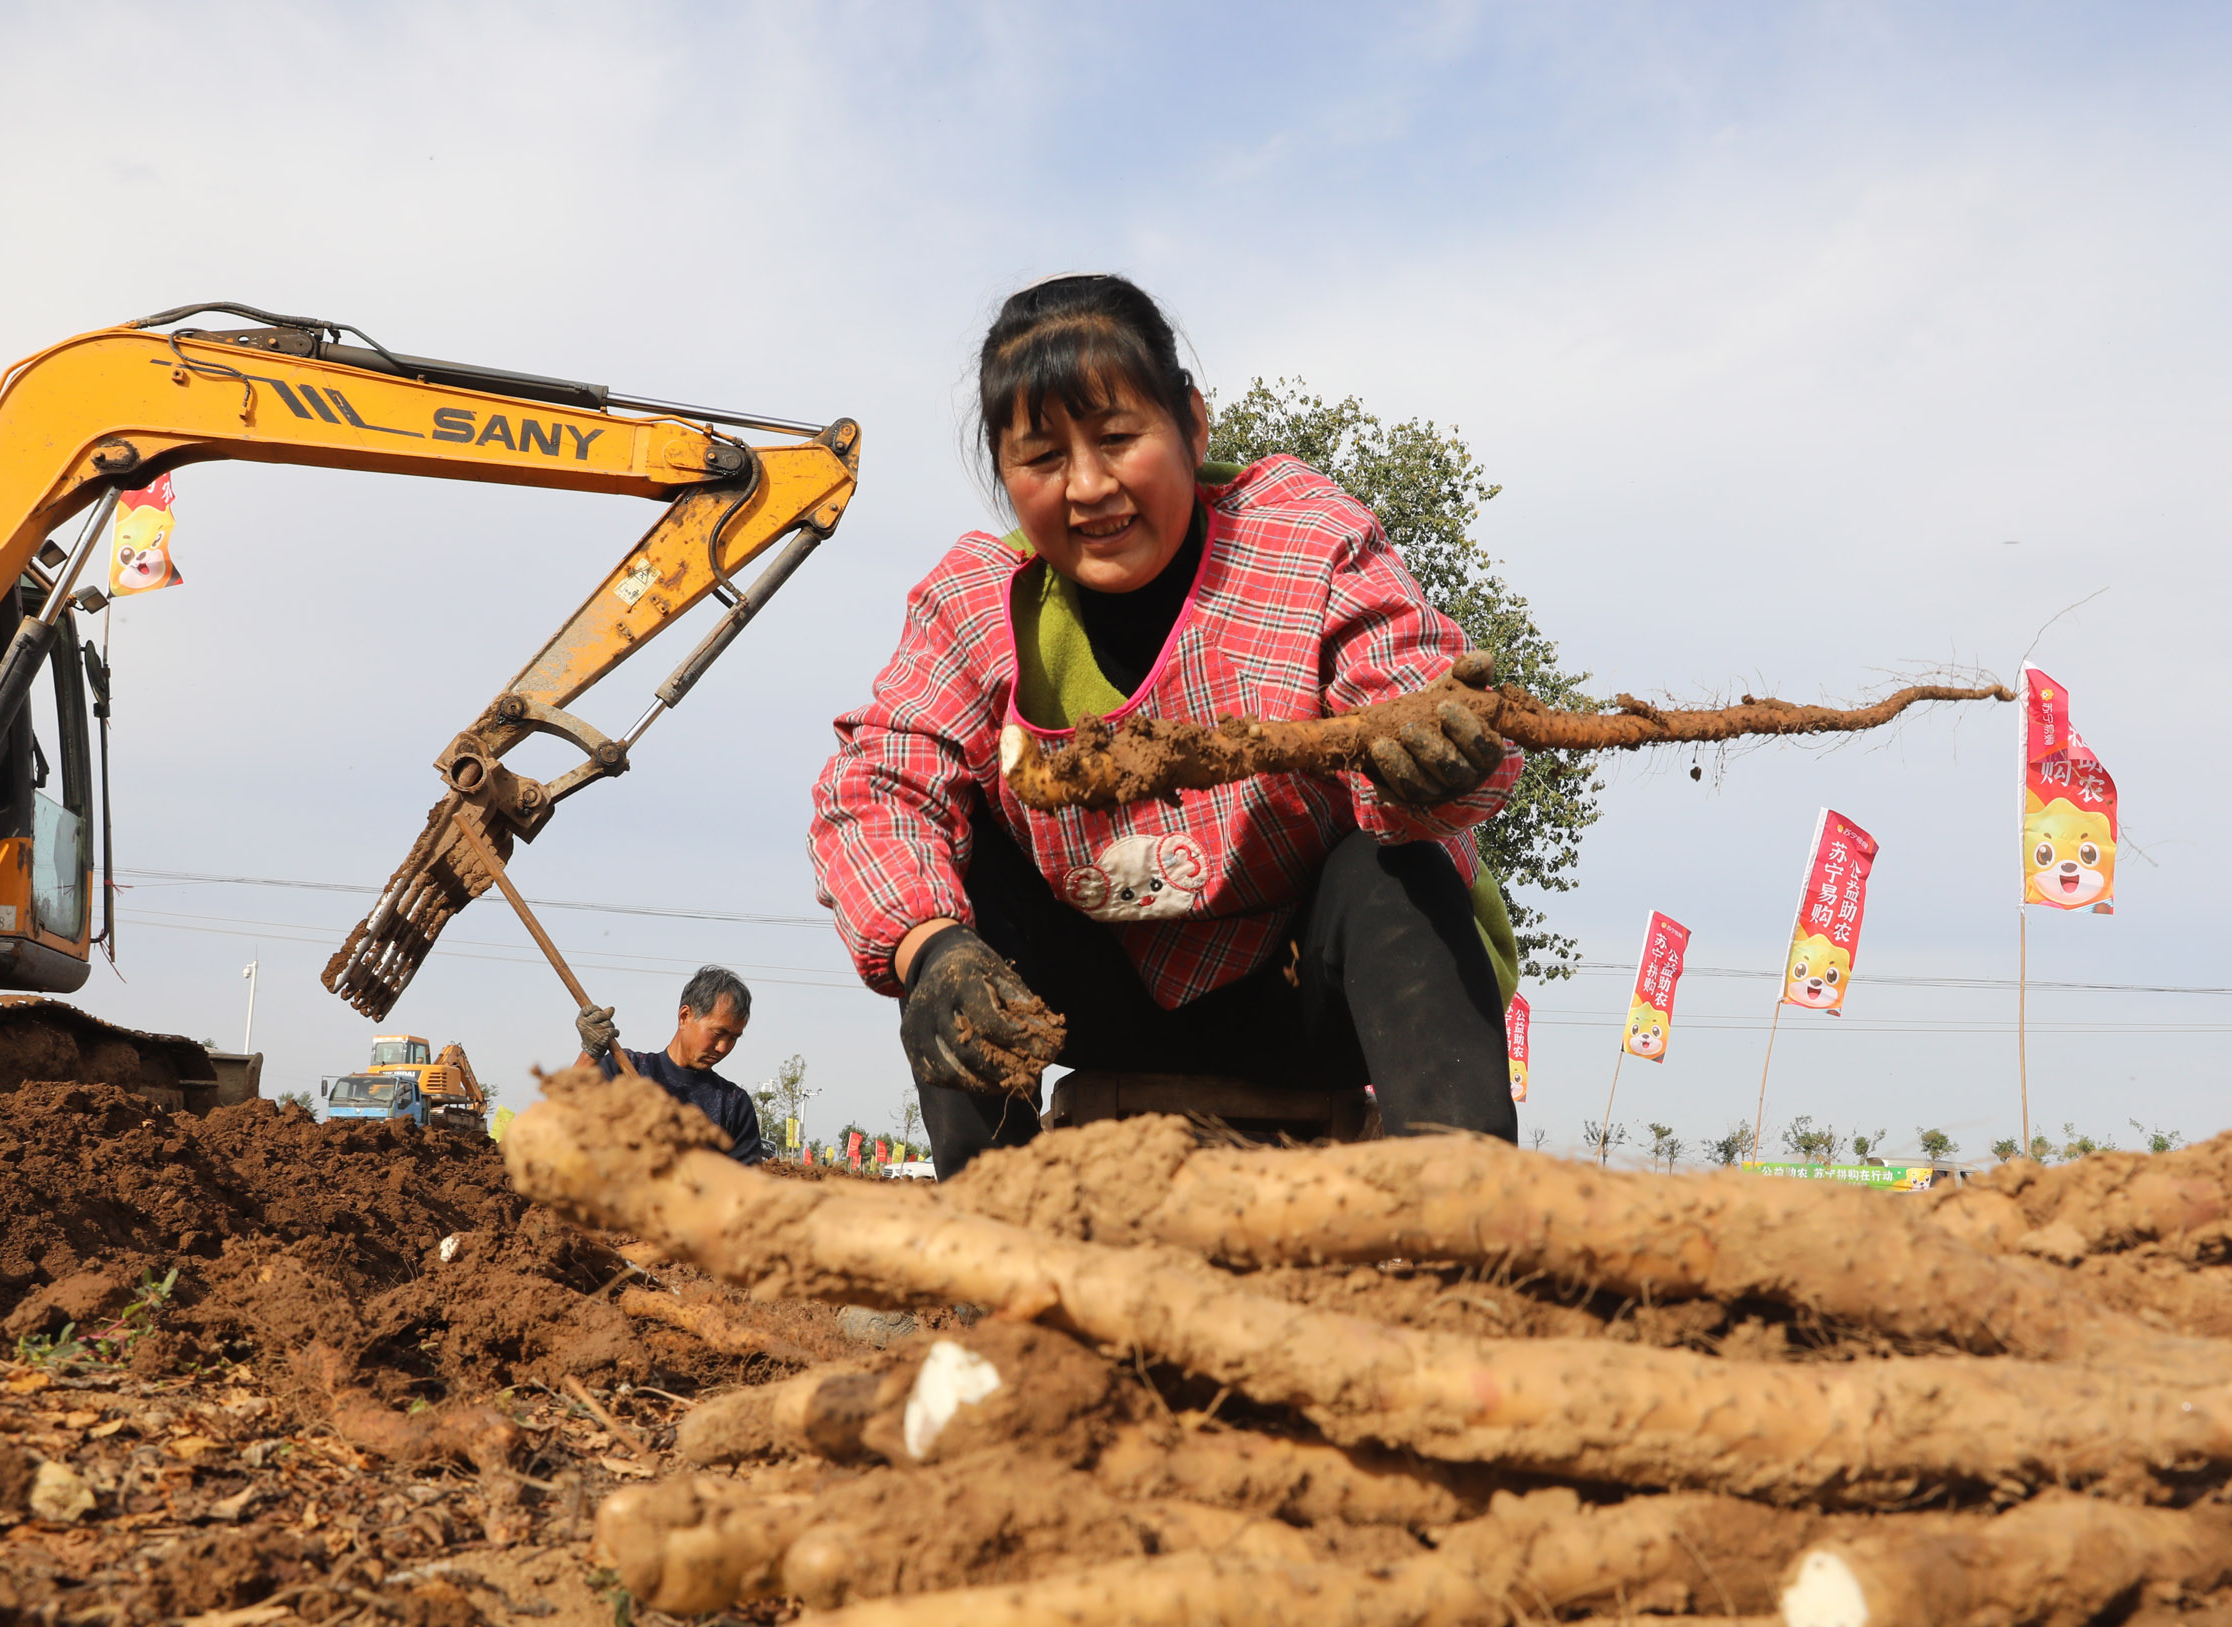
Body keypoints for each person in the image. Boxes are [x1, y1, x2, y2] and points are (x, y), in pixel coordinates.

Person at [810, 274, 1523, 1179]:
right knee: (956, 901)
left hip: (1308, 998)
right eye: (1042, 457)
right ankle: (995, 1229)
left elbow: (1409, 686)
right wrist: (927, 947)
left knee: (1394, 866)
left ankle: (1468, 1221)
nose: (1089, 487)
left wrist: (1435, 756)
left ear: (1192, 424)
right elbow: (878, 787)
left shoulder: (1305, 541)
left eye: (1117, 438)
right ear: (1004, 472)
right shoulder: (973, 604)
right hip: (1096, 1006)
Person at [574, 965, 765, 1164]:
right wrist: (590, 1054)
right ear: (685, 1017)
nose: (722, 1047)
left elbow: (747, 1180)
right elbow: (560, 1118)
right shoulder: (621, 1069)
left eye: (733, 1038)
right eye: (718, 1033)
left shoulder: (734, 1104)